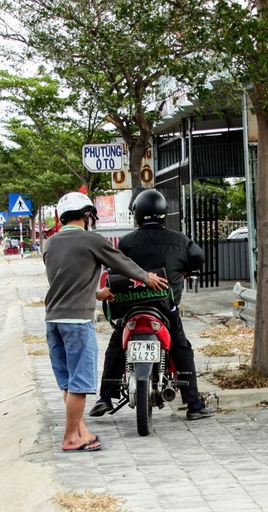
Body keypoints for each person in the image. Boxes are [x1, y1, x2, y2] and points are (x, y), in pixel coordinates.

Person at [43, 192, 168, 453]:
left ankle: (81, 431)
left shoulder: (51, 243)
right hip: (77, 322)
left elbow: (66, 280)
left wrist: (96, 293)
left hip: (53, 320)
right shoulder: (91, 240)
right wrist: (147, 278)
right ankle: (70, 438)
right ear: (87, 215)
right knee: (80, 383)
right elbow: (120, 262)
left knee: (68, 382)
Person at [89, 189, 216, 421]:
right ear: (164, 213)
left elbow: (114, 266)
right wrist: (185, 270)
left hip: (131, 308)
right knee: (181, 349)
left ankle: (105, 398)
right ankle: (194, 404)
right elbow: (198, 257)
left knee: (116, 347)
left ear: (137, 215)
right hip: (165, 309)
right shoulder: (180, 240)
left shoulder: (127, 242)